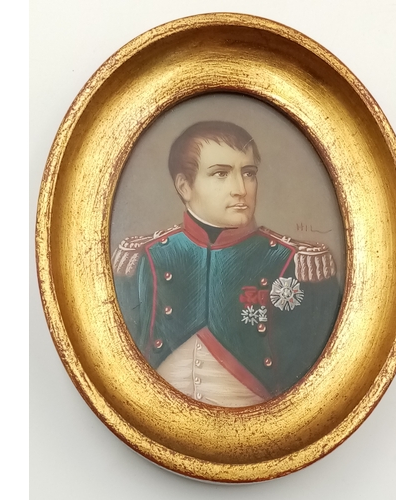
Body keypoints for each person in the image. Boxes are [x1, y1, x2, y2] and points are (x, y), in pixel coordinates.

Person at [112, 121, 342, 407]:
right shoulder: (143, 259)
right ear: (184, 186)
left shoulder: (297, 265)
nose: (240, 189)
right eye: (221, 174)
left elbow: (318, 383)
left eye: (249, 173)